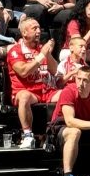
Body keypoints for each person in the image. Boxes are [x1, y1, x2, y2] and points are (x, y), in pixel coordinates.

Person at [5, 17, 59, 149]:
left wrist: (47, 54)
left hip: (47, 90)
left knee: (68, 93)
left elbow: (54, 70)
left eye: (39, 28)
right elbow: (23, 71)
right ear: (24, 32)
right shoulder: (15, 50)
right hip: (27, 91)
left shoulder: (41, 49)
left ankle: (58, 131)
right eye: (34, 28)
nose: (39, 31)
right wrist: (41, 56)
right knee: (24, 97)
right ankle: (28, 135)